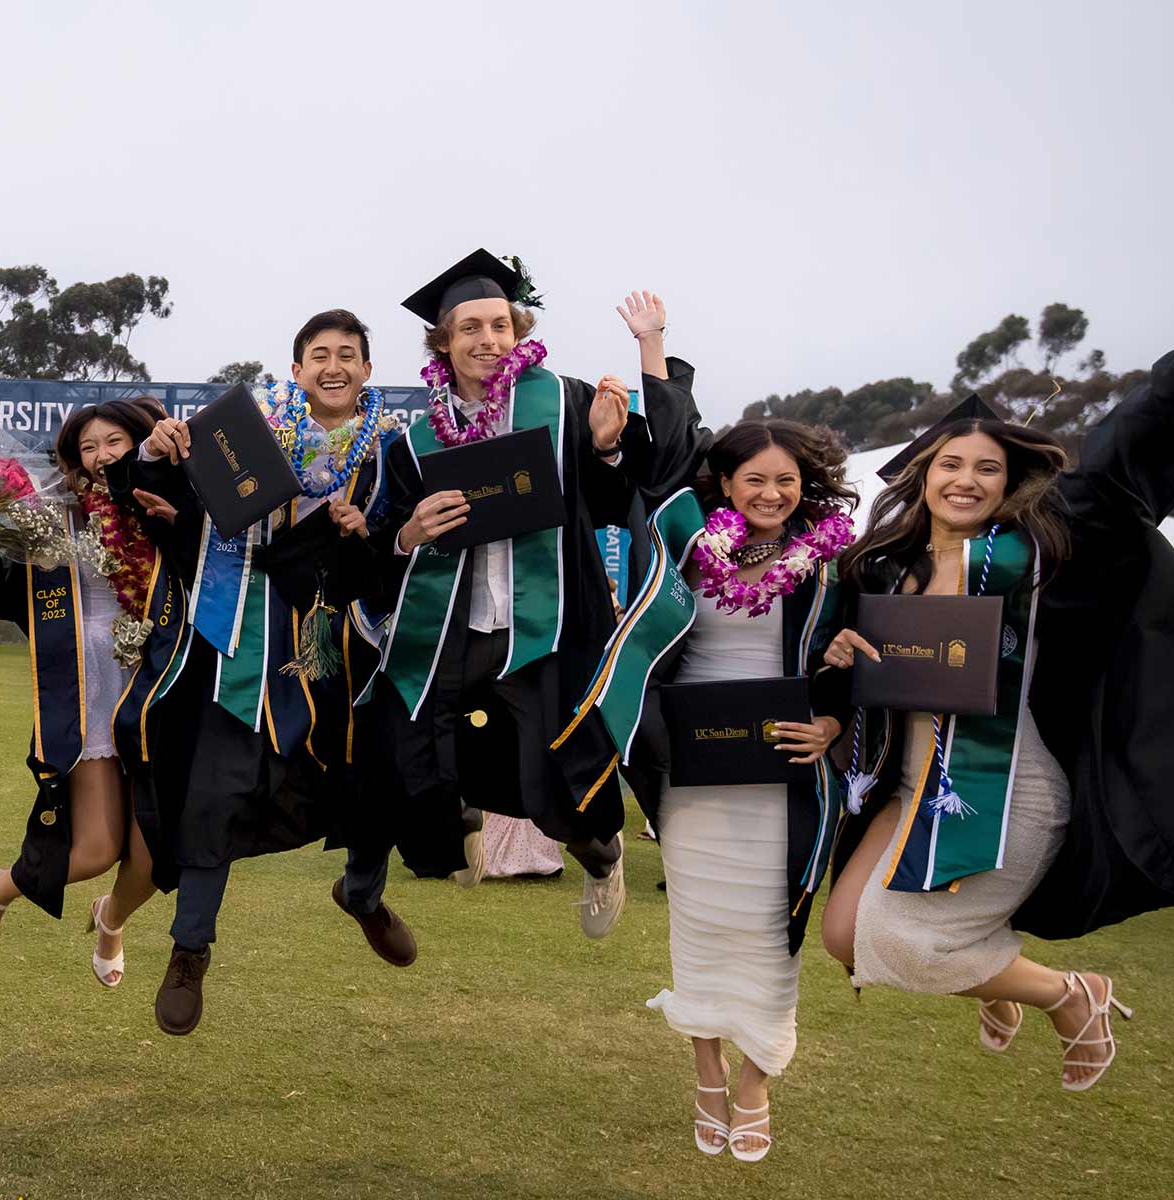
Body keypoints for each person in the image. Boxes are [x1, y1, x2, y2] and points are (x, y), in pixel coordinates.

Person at [819, 266, 1174, 1094]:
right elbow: (842, 660)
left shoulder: (1035, 553)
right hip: (909, 785)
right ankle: (991, 985)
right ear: (922, 474)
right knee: (846, 938)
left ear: (1010, 481)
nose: (965, 479)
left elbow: (1111, 464)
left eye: (986, 468)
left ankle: (1075, 995)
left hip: (1012, 785)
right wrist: (843, 660)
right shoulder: (884, 568)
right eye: (949, 463)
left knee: (911, 944)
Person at [372, 252, 701, 945]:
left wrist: (608, 449)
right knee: (414, 743)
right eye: (469, 328)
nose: (487, 339)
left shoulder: (566, 401)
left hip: (548, 628)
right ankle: (442, 840)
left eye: (499, 325)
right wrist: (408, 533)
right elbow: (387, 538)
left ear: (518, 332)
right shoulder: (413, 439)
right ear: (443, 343)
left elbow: (620, 501)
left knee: (557, 787)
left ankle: (602, 858)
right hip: (455, 631)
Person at [566, 419, 857, 1159]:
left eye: (785, 480)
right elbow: (659, 459)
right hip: (695, 772)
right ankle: (706, 1071)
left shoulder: (832, 567)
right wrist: (652, 349)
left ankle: (755, 1080)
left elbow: (858, 661)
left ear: (804, 486)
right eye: (754, 479)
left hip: (784, 771)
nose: (770, 492)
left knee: (771, 930)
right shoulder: (691, 555)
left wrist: (830, 721)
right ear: (725, 485)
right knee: (698, 926)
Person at [126, 310, 419, 1036]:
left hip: (340, 640)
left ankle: (362, 893)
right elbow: (182, 502)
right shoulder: (247, 430)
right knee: (213, 796)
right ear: (296, 370)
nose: (333, 366)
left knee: (369, 783)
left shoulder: (392, 451)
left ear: (366, 371)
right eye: (319, 354)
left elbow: (405, 548)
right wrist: (160, 454)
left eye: (348, 355)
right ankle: (189, 951)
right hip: (244, 638)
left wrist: (371, 534)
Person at [0, 397, 169, 986]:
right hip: (87, 686)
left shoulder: (170, 508)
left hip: (154, 681)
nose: (102, 457)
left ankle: (112, 917)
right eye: (89, 447)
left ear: (140, 444)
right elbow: (4, 593)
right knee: (99, 850)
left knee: (154, 856)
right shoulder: (54, 515)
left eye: (115, 444)